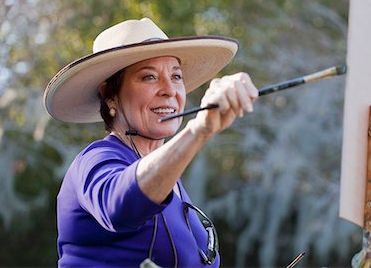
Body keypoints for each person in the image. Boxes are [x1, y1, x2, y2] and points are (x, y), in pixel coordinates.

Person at [43, 17, 258, 268]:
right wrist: (199, 130)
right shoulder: (94, 161)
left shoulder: (171, 180)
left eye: (176, 76)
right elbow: (120, 205)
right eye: (149, 77)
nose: (169, 90)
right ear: (109, 95)